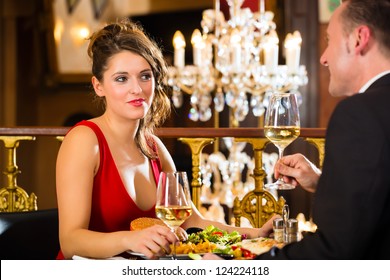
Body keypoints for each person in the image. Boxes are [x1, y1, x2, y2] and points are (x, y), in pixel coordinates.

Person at [55, 18, 274, 260]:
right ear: (98, 86)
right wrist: (130, 239)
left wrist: (254, 234)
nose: (137, 89)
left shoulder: (154, 147)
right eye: (121, 78)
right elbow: (70, 241)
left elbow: (192, 221)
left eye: (145, 76)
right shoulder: (84, 140)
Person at [204, 0, 390, 260]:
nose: (324, 58)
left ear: (359, 38)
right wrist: (323, 182)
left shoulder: (358, 113)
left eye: (330, 40)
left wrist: (245, 270)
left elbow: (335, 251)